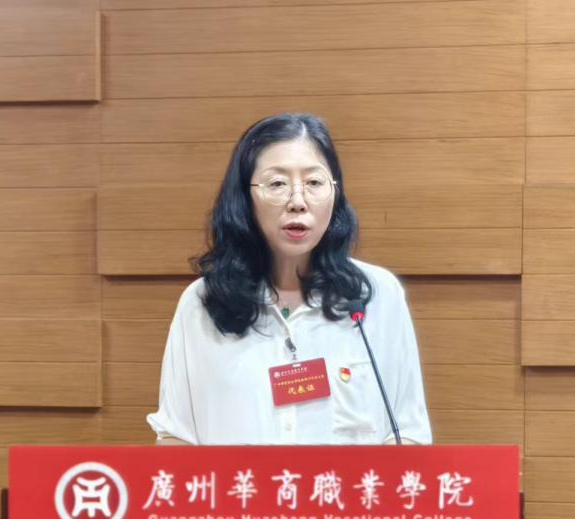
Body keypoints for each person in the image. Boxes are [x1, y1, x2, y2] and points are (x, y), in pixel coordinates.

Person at [148, 113, 431, 447]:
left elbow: (408, 433)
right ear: (245, 197)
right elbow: (176, 436)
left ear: (335, 192)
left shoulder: (376, 295)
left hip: (341, 484)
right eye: (277, 184)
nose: (298, 202)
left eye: (314, 183)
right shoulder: (204, 303)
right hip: (242, 484)